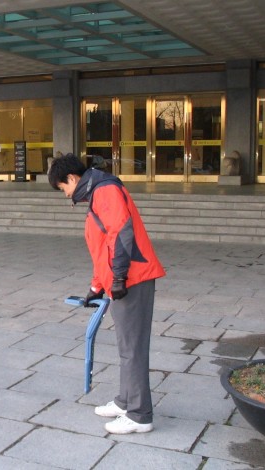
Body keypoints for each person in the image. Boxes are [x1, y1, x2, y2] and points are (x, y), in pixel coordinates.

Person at [48, 153, 166, 435]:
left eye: (63, 188)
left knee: (133, 348)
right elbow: (102, 249)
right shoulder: (97, 193)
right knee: (127, 346)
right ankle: (126, 401)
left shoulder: (105, 191)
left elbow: (122, 234)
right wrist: (96, 286)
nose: (66, 195)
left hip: (132, 280)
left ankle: (139, 415)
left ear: (72, 178)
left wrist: (119, 278)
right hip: (121, 279)